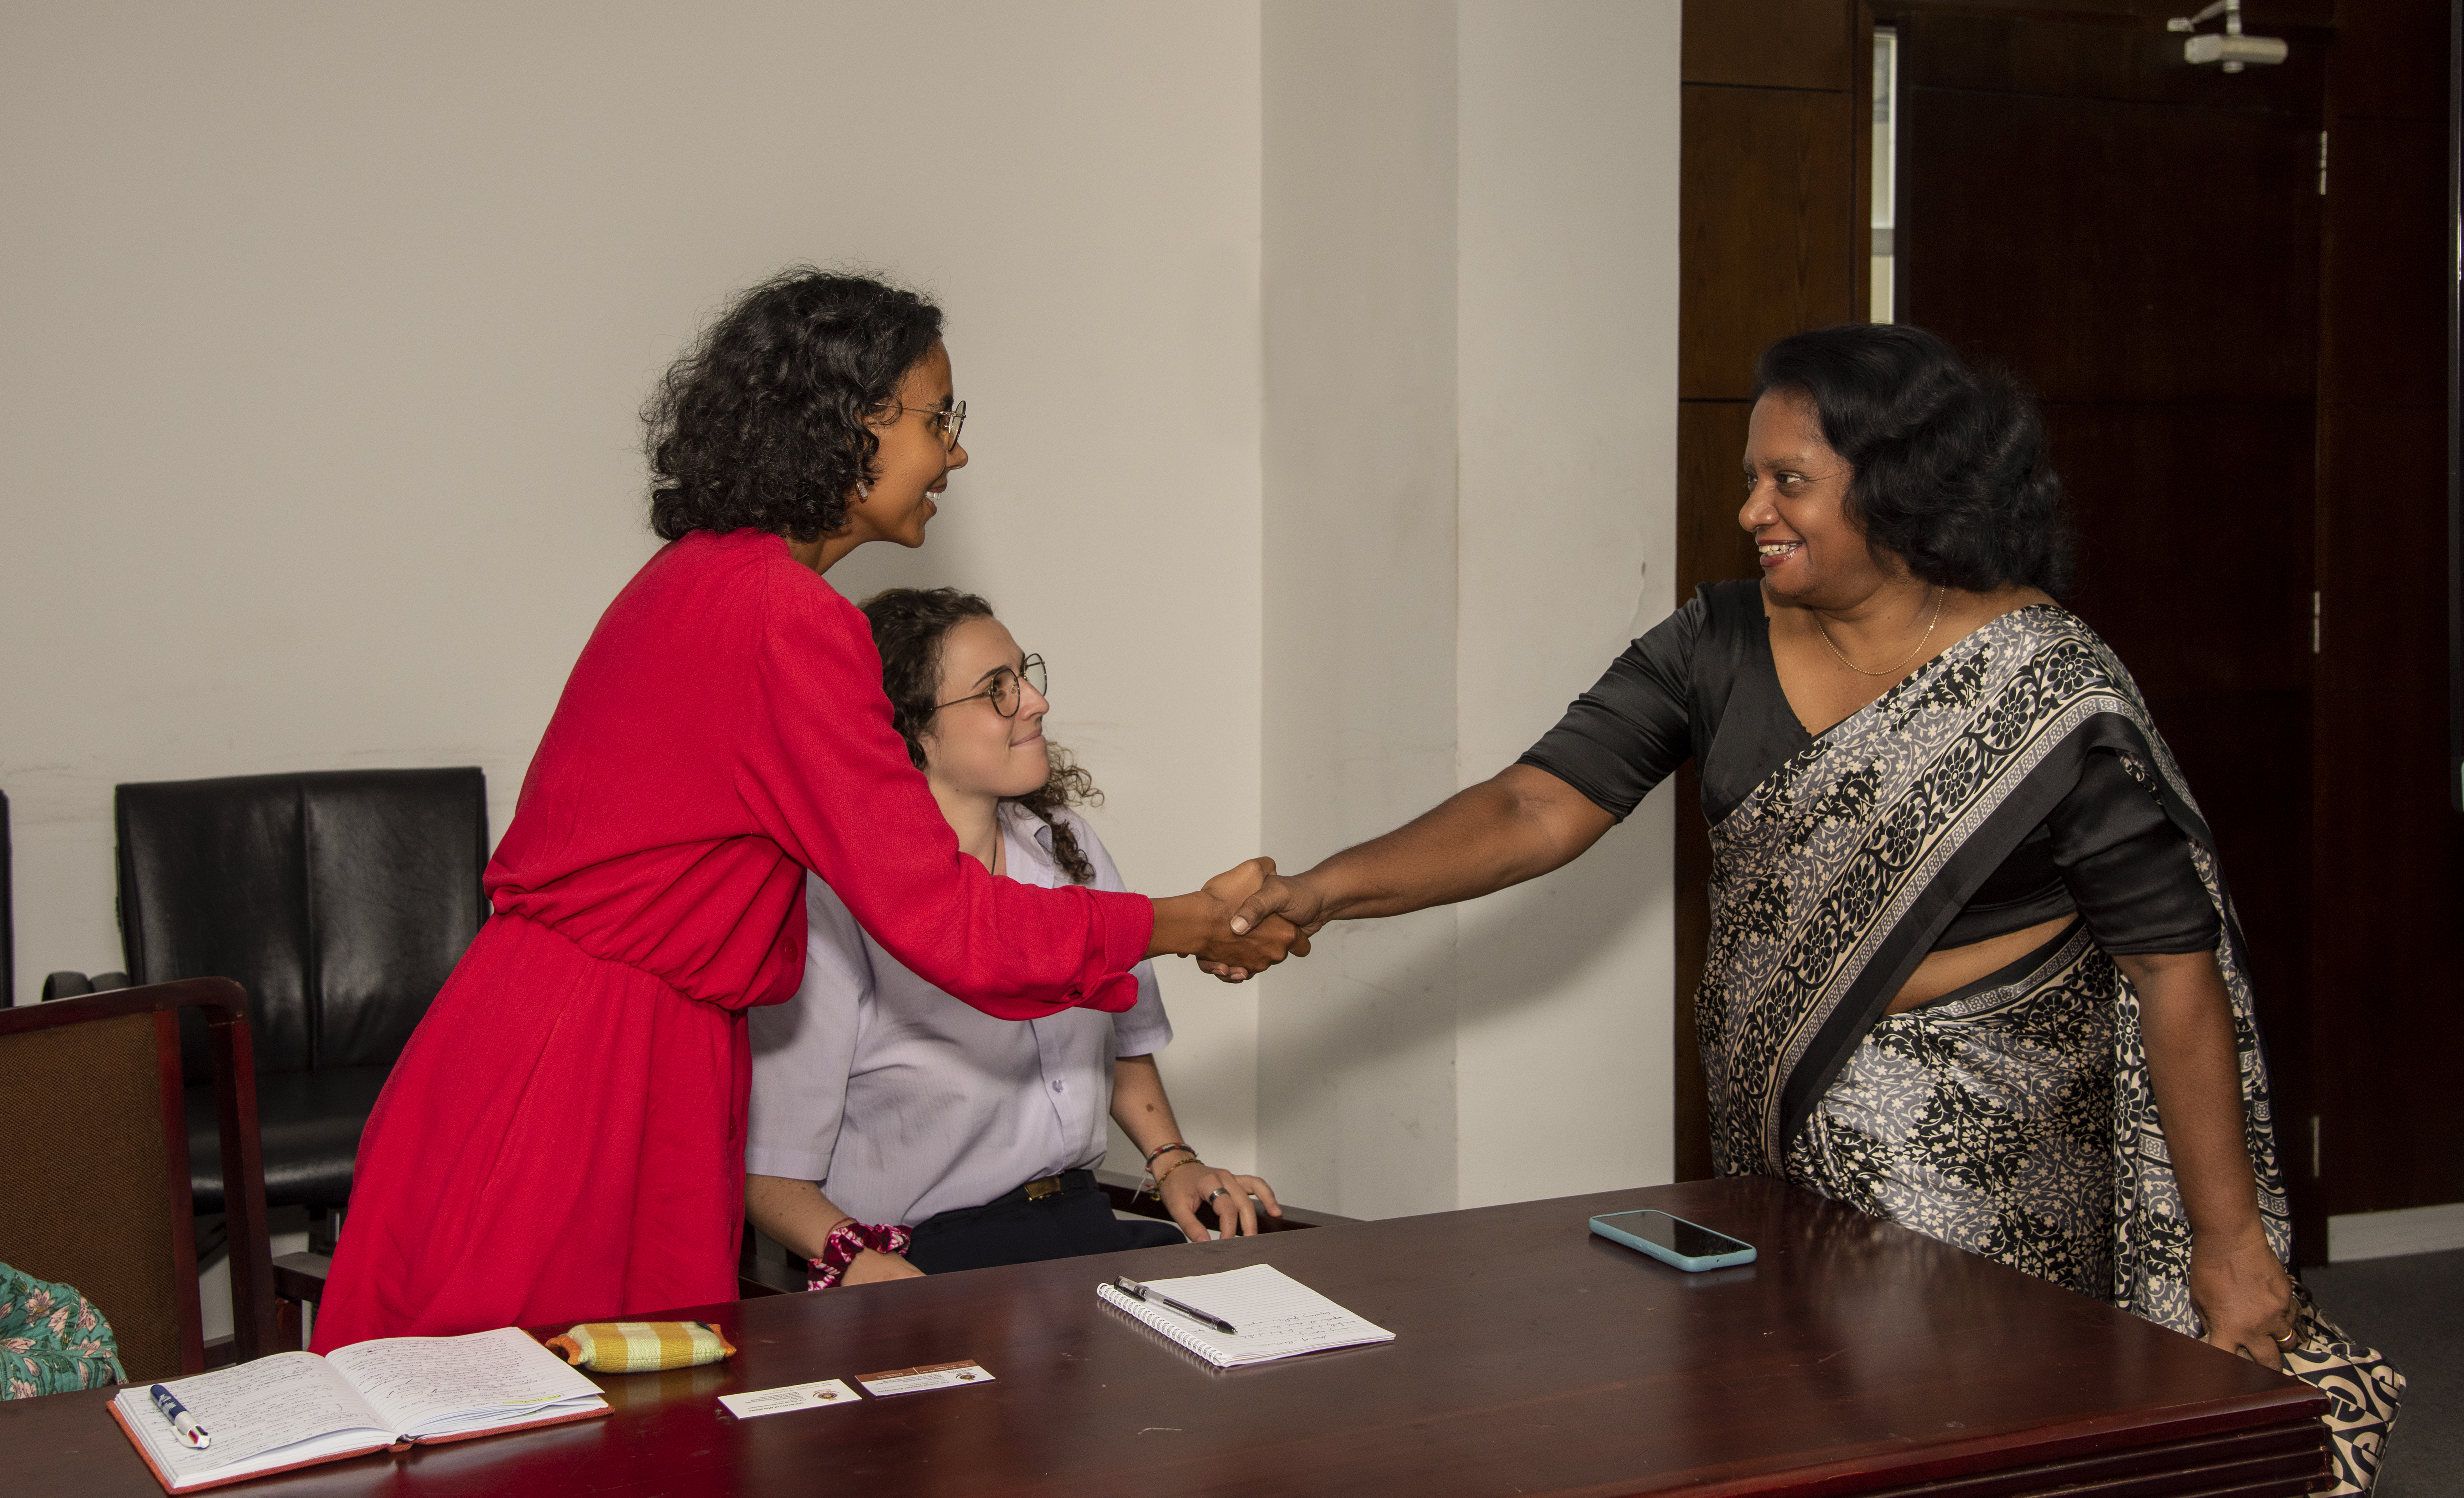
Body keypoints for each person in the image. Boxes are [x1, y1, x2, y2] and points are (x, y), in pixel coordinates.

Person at [1223, 325, 2366, 1371]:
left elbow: (2171, 960)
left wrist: (2230, 1242)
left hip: (1999, 1170)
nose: (1752, 512)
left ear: (1905, 486)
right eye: (1751, 480)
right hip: (1778, 1152)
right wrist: (1327, 892)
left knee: (1969, 1431)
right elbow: (1535, 805)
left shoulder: (2044, 689)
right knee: (1790, 1413)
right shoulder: (1714, 643)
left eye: (1791, 482)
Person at [312, 270, 1300, 1350]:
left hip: (581, 1043)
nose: (956, 452)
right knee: (542, 1428)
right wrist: (1182, 921)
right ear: (850, 425)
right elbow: (949, 922)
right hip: (586, 1069)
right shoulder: (787, 619)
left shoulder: (695, 580)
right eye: (937, 420)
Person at [745, 588, 1280, 1286]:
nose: (1034, 700)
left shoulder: (1065, 846)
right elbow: (768, 1172)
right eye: (997, 689)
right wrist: (863, 1264)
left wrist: (1172, 1160)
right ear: (906, 733)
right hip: (920, 1256)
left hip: (1076, 1223)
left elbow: (1122, 1036)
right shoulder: (824, 906)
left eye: (1024, 673)